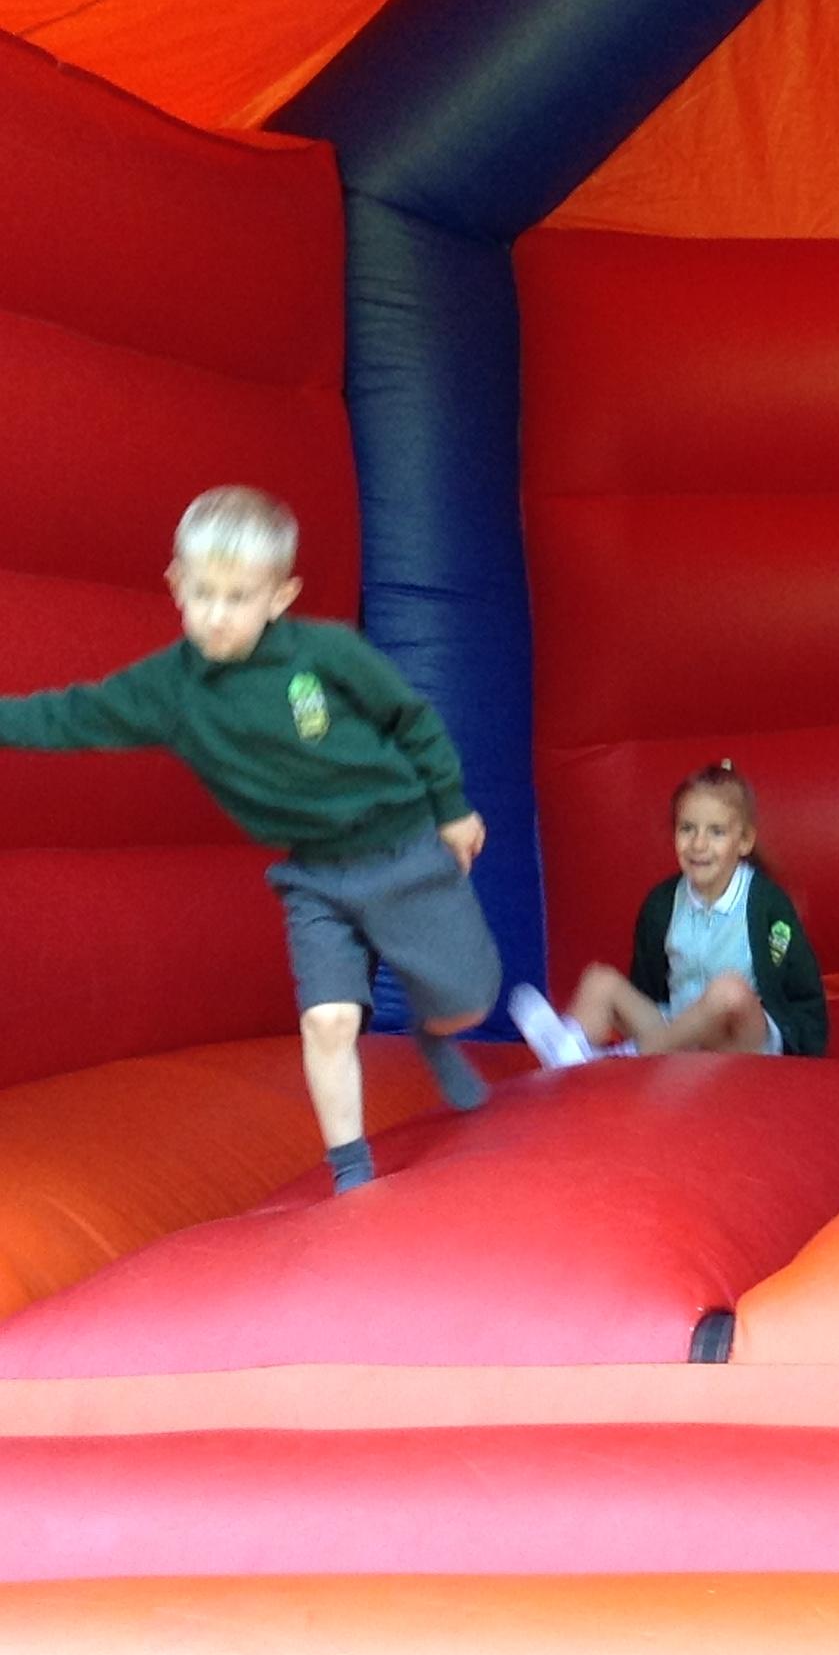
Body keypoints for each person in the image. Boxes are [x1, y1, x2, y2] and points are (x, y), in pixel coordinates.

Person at [0, 486, 500, 1192]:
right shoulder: (169, 689)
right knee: (327, 1020)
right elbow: (69, 715)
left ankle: (435, 1031)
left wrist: (451, 808)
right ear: (176, 584)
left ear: (279, 597)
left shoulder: (325, 654)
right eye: (202, 593)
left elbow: (410, 718)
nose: (216, 614)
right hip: (315, 878)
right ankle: (352, 1172)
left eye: (238, 598)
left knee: (468, 1000)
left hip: (401, 847)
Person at [506, 761, 826, 1065]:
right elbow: (647, 988)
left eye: (716, 832)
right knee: (599, 980)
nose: (698, 844)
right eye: (687, 829)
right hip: (677, 1030)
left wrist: (800, 1037)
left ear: (744, 841)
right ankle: (569, 1059)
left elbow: (803, 993)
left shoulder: (768, 905)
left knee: (729, 991)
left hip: (738, 1041)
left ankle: (632, 1057)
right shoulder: (662, 904)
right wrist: (646, 1020)